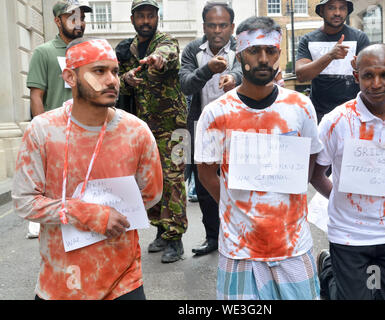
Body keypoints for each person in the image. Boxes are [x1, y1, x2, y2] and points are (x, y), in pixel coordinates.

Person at [12, 37, 163, 300]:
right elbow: (25, 202)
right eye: (99, 71)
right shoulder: (43, 131)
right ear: (70, 77)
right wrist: (82, 211)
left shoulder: (136, 131)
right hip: (61, 280)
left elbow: (151, 195)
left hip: (123, 280)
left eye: (115, 71)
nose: (112, 80)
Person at [195, 16, 323, 300]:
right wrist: (233, 205)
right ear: (239, 54)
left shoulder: (300, 106)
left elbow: (309, 163)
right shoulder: (216, 113)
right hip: (238, 248)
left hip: (292, 246)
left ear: (279, 53)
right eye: (254, 50)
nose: (263, 58)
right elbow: (205, 173)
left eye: (271, 50)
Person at [311, 44, 385, 300]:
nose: (376, 84)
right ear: (356, 77)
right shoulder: (336, 121)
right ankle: (330, 271)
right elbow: (316, 174)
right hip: (348, 232)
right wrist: (343, 198)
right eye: (367, 76)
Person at [116, 0, 188, 263]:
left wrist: (158, 59)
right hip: (143, 128)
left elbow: (168, 54)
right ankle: (160, 229)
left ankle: (175, 239)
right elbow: (118, 84)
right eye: (141, 16)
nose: (146, 21)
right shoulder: (127, 49)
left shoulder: (166, 40)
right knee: (150, 179)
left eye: (150, 16)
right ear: (132, 19)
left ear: (157, 18)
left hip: (175, 129)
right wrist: (126, 80)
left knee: (174, 182)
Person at [179, 2, 242, 257]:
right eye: (212, 25)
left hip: (237, 126)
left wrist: (234, 78)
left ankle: (238, 233)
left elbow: (242, 69)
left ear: (232, 27)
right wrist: (207, 70)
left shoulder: (241, 46)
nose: (218, 31)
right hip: (201, 127)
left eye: (223, 25)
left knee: (237, 181)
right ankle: (213, 237)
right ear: (204, 26)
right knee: (205, 186)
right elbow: (185, 85)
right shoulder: (193, 49)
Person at [25, 0, 92, 239]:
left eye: (82, 17)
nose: (79, 23)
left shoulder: (89, 51)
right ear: (57, 21)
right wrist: (41, 134)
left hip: (87, 130)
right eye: (72, 18)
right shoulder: (43, 52)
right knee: (54, 182)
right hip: (56, 132)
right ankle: (45, 220)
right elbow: (36, 95)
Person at [295, 0, 370, 123]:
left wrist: (359, 69)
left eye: (342, 8)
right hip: (320, 116)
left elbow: (370, 76)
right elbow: (301, 75)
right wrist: (330, 55)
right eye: (331, 8)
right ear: (321, 11)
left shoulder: (359, 37)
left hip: (354, 115)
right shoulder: (308, 39)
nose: (337, 13)